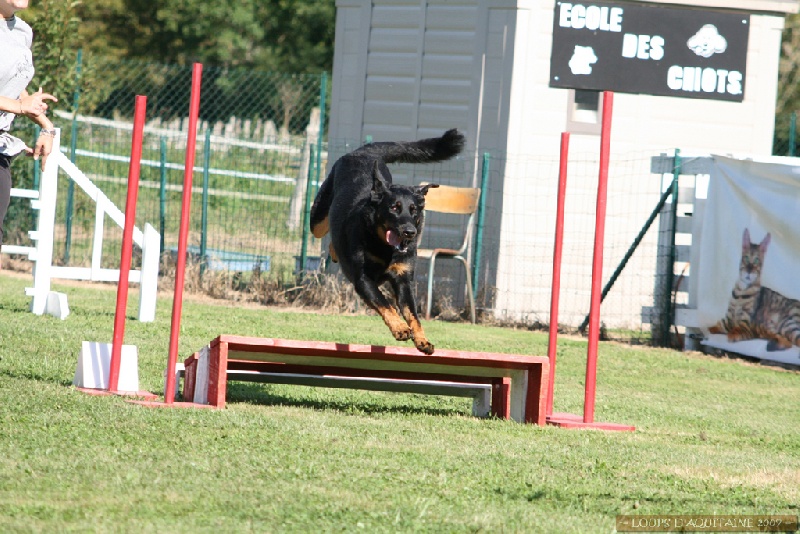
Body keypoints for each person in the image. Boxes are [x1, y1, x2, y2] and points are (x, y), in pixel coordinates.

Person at [0, 0, 57, 265]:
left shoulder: (23, 31)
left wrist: (46, 126)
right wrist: (19, 107)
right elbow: (16, 103)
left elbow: (14, 88)